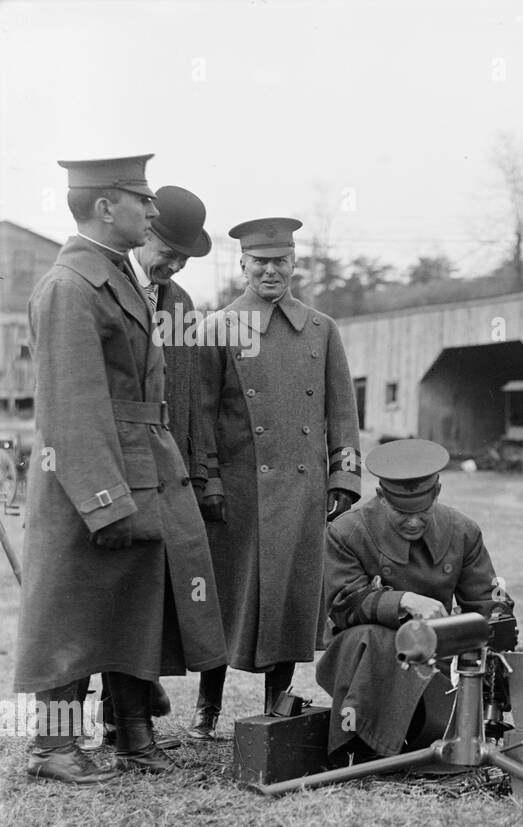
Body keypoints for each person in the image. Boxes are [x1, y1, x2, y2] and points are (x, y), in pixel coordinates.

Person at [16, 155, 226, 783]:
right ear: (106, 207)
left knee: (135, 603)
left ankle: (133, 735)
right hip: (90, 473)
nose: (153, 211)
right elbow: (71, 408)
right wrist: (105, 500)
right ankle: (52, 748)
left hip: (136, 462)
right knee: (70, 613)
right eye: (142, 201)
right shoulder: (70, 287)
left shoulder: (114, 278)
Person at [187, 217, 361, 737]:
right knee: (228, 597)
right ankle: (206, 706)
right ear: (242, 264)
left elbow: (342, 409)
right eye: (259, 261)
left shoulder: (320, 328)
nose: (270, 270)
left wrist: (343, 478)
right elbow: (202, 414)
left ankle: (276, 703)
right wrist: (209, 480)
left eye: (279, 260)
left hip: (301, 489)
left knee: (290, 595)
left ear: (293, 264)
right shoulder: (215, 327)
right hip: (238, 492)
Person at [91, 184, 218, 751]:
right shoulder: (101, 287)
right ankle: (99, 724)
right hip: (112, 463)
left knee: (159, 593)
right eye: (167, 251)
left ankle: (132, 717)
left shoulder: (181, 304)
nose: (173, 265)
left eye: (184, 260)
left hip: (167, 466)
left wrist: (197, 470)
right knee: (108, 596)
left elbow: (187, 394)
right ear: (145, 234)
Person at [315, 439, 508, 762]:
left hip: (438, 653)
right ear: (381, 497)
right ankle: (364, 747)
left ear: (438, 492)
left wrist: (500, 632)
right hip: (362, 653)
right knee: (374, 641)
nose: (414, 522)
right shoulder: (346, 531)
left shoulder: (463, 530)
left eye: (422, 511)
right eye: (401, 513)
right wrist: (404, 601)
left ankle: (434, 738)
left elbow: (488, 601)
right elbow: (343, 604)